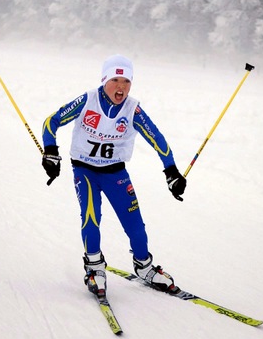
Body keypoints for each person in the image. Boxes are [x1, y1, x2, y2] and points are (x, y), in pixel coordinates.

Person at [42, 54, 186, 299]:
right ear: (104, 79)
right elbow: (51, 121)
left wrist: (171, 171)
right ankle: (94, 267)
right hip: (84, 170)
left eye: (127, 81)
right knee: (90, 217)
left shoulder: (132, 109)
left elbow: (157, 139)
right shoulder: (87, 100)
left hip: (115, 172)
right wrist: (50, 151)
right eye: (116, 80)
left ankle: (144, 266)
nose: (121, 87)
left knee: (135, 226)